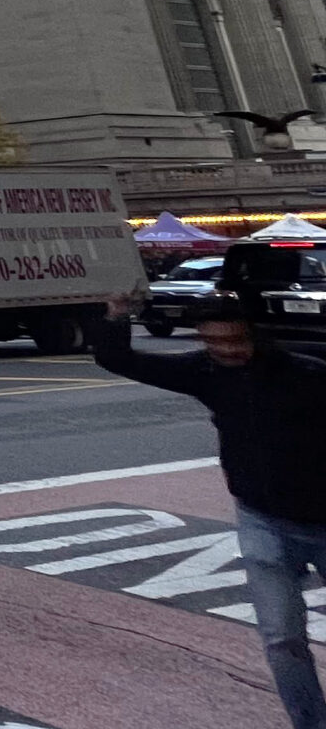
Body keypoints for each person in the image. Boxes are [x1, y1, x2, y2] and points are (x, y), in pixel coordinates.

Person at [96, 291, 326, 729]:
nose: (227, 351)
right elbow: (120, 360)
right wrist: (116, 314)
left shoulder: (308, 376)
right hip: (264, 520)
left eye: (236, 340)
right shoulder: (207, 372)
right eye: (213, 342)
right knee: (281, 638)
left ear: (257, 336)